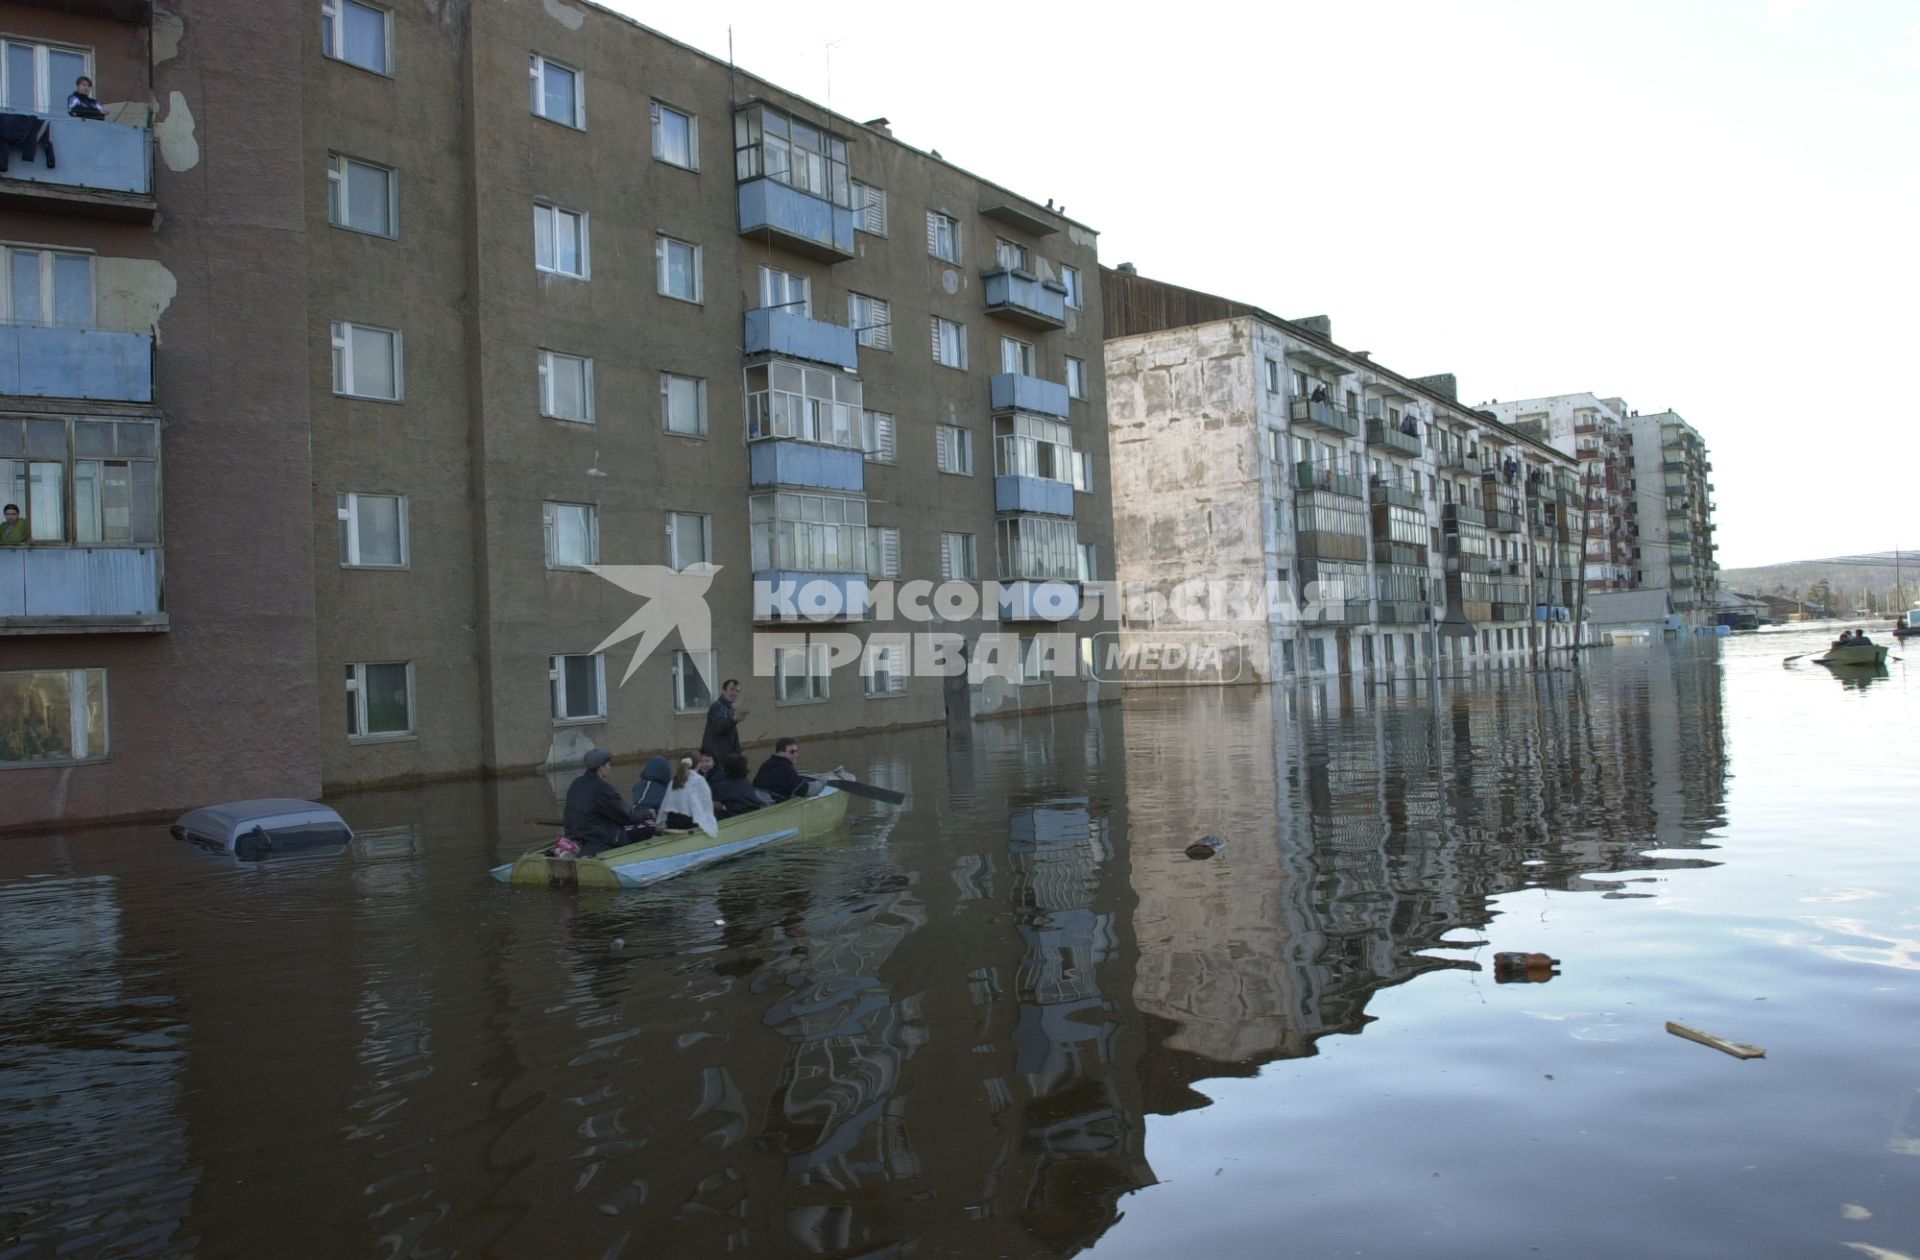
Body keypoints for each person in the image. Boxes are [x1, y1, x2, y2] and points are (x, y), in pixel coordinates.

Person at [562, 748, 643, 856]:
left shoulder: (576, 783)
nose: (609, 768)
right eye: (608, 764)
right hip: (597, 839)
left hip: (574, 836)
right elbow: (627, 816)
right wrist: (648, 813)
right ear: (601, 767)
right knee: (645, 829)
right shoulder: (604, 788)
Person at [658, 754, 719, 837]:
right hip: (689, 823)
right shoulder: (699, 780)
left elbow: (665, 803)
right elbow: (705, 806)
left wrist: (661, 823)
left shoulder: (674, 780)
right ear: (697, 765)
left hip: (671, 821)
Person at [703, 679, 748, 763]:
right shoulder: (718, 707)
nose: (734, 693)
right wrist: (734, 719)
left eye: (737, 691)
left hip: (725, 756)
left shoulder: (729, 708)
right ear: (724, 691)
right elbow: (719, 728)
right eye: (731, 689)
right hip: (717, 758)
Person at [753, 736, 808, 801]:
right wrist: (822, 783)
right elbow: (803, 790)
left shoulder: (767, 763)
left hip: (756, 798)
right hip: (769, 804)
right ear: (781, 753)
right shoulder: (785, 768)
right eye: (792, 752)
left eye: (796, 751)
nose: (796, 754)